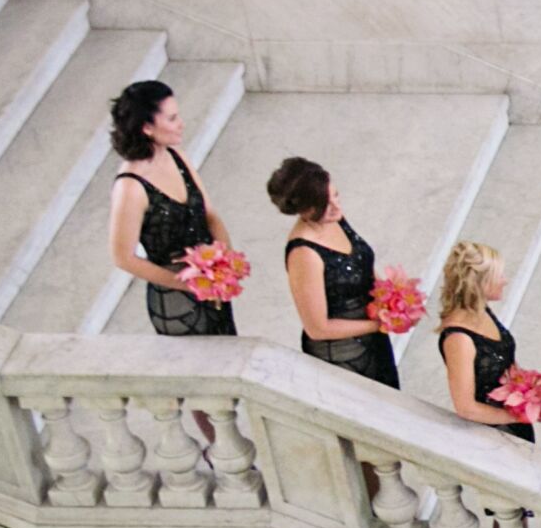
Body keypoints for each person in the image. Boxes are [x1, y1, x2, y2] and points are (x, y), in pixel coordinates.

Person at [106, 80, 241, 340]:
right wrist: (189, 284)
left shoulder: (175, 154)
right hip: (178, 302)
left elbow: (209, 213)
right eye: (172, 118)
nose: (181, 123)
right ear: (146, 127)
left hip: (210, 287)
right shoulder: (130, 187)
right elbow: (123, 258)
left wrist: (225, 265)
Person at [270, 157, 398, 389]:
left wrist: (392, 299)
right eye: (325, 205)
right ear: (305, 210)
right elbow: (318, 328)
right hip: (344, 355)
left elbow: (361, 262)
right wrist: (378, 324)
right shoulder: (304, 254)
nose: (337, 207)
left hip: (373, 339)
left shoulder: (335, 219)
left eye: (336, 196)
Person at [434, 243, 535, 444]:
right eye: (499, 276)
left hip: (512, 424)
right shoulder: (459, 339)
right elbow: (465, 407)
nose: (505, 281)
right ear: (479, 283)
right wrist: (516, 416)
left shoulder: (481, 310)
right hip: (490, 434)